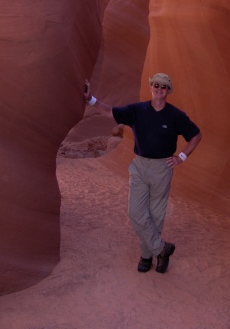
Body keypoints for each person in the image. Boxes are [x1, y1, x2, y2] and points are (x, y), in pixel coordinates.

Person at [84, 73, 202, 274]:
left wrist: (182, 156)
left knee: (156, 215)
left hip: (162, 168)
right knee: (136, 213)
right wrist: (90, 99)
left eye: (163, 86)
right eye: (156, 85)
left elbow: (196, 135)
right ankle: (161, 248)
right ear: (151, 87)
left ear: (168, 91)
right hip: (139, 166)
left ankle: (147, 256)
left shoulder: (176, 115)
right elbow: (109, 112)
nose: (159, 88)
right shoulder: (137, 110)